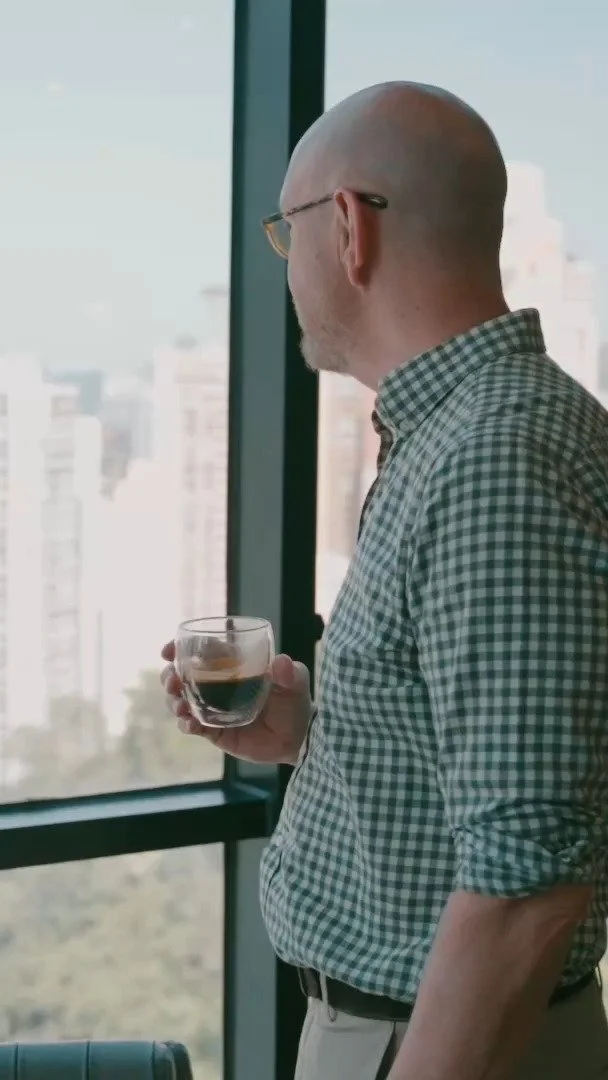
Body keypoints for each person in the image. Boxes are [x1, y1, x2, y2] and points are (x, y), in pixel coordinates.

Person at [161, 82, 608, 1080]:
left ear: (348, 229)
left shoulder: (495, 459)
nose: (287, 264)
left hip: (441, 1045)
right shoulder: (459, 435)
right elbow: (500, 767)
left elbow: (528, 881)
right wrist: (315, 734)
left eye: (287, 233)